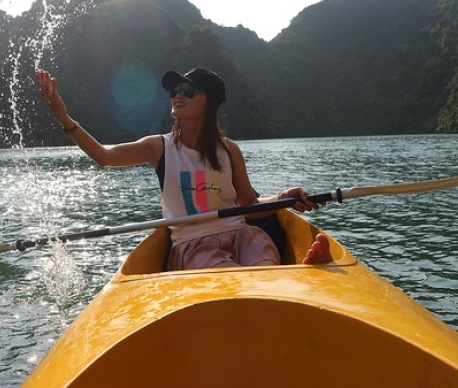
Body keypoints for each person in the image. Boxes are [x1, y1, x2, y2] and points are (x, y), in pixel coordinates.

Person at [36, 67, 333, 270]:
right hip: (193, 245)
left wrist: (283, 197)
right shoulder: (159, 147)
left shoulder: (229, 149)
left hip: (240, 234)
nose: (178, 95)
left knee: (264, 259)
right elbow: (105, 156)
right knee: (227, 275)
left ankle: (297, 274)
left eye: (188, 90)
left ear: (210, 102)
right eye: (175, 90)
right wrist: (64, 118)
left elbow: (249, 205)